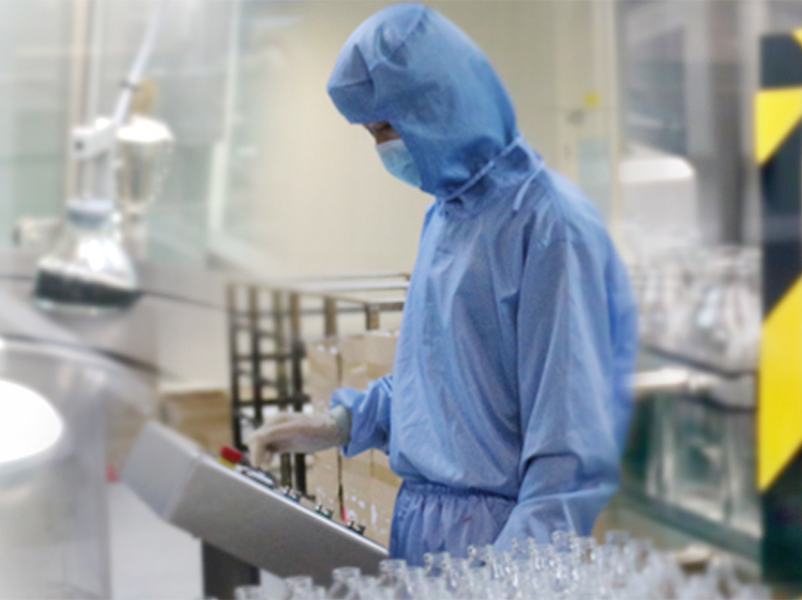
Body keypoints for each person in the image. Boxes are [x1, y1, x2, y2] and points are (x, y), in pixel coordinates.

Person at [245, 3, 637, 561]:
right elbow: (442, 383)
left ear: (438, 105)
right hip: (421, 526)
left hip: (499, 540)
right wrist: (341, 423)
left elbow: (570, 446)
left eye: (386, 127)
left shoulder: (550, 224)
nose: (381, 148)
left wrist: (507, 578)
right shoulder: (447, 217)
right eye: (370, 132)